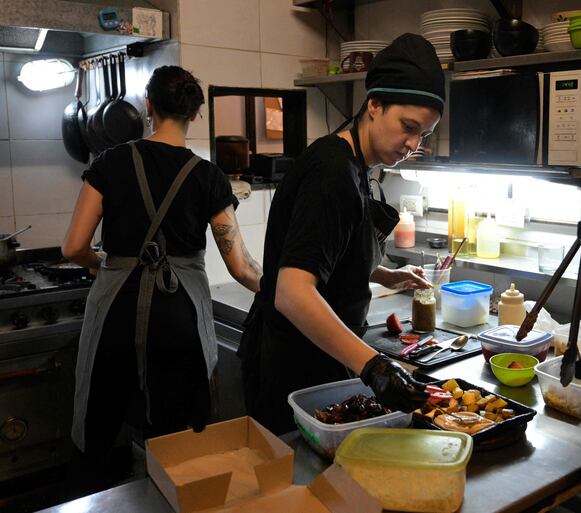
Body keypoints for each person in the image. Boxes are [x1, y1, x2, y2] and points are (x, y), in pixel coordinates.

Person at [62, 65, 262, 492]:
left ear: (149, 106)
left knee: (98, 421)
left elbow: (72, 247)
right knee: (176, 439)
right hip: (179, 317)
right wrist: (286, 294)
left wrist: (105, 266)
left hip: (116, 308)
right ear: (196, 114)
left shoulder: (111, 161)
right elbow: (241, 265)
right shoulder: (208, 176)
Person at [238, 33, 445, 434]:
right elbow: (292, 291)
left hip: (321, 360)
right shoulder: (332, 172)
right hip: (295, 369)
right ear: (374, 104)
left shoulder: (358, 166)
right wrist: (374, 366)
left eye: (425, 135)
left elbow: (329, 252)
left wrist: (383, 273)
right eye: (408, 127)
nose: (413, 143)